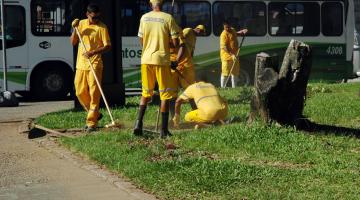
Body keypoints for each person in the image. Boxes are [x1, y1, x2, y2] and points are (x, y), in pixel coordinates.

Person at [133, 0, 180, 138]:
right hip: (162, 60)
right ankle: (163, 130)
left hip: (146, 59)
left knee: (146, 93)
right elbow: (176, 42)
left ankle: (138, 125)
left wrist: (148, 46)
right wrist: (169, 42)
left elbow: (141, 39)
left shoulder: (144, 17)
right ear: (162, 4)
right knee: (165, 94)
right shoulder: (168, 18)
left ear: (151, 5)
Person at [70, 4, 111, 132]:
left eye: (98, 17)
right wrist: (75, 30)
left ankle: (91, 122)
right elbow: (73, 42)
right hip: (81, 64)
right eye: (94, 17)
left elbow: (108, 46)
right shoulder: (80, 24)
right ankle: (95, 114)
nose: (96, 20)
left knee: (94, 94)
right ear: (87, 14)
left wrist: (93, 52)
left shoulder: (102, 27)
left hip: (95, 64)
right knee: (79, 92)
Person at [220, 20, 247, 88]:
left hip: (235, 55)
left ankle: (234, 88)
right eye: (226, 27)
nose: (227, 29)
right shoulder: (223, 35)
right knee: (225, 73)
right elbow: (224, 47)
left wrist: (241, 32)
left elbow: (235, 34)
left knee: (235, 73)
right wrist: (231, 55)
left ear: (230, 25)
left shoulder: (232, 30)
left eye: (228, 27)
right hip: (226, 57)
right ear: (224, 26)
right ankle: (223, 88)